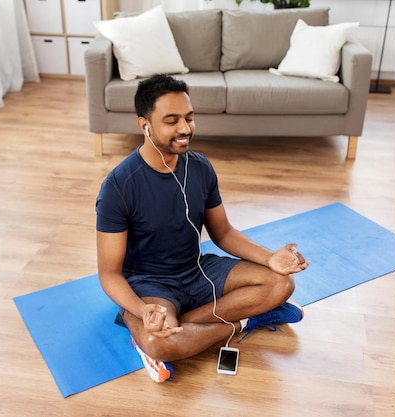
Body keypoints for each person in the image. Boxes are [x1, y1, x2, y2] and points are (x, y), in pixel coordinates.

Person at [95, 73, 310, 382]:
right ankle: (239, 322)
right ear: (145, 125)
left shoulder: (200, 167)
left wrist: (269, 258)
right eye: (171, 121)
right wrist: (143, 310)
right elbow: (110, 274)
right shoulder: (118, 186)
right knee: (160, 341)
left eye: (189, 118)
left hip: (196, 270)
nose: (185, 129)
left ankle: (181, 326)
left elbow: (222, 233)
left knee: (281, 284)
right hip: (150, 284)